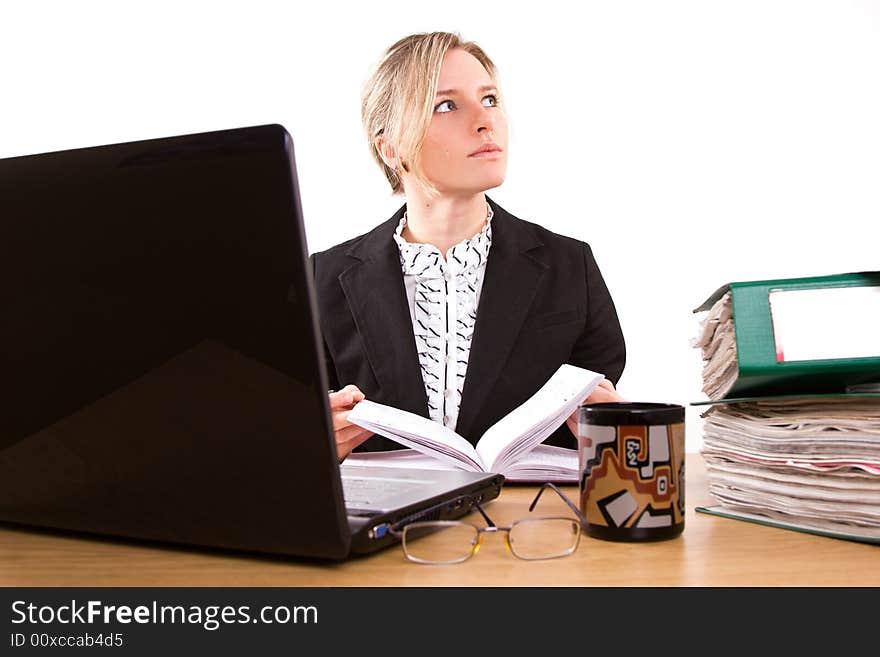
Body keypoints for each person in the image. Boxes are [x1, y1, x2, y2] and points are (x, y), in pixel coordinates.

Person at [310, 32, 626, 461]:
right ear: (389, 147)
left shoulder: (571, 269)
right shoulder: (322, 280)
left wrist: (618, 431)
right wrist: (307, 441)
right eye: (447, 105)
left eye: (490, 99)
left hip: (534, 523)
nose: (485, 121)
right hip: (388, 524)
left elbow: (607, 442)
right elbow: (281, 441)